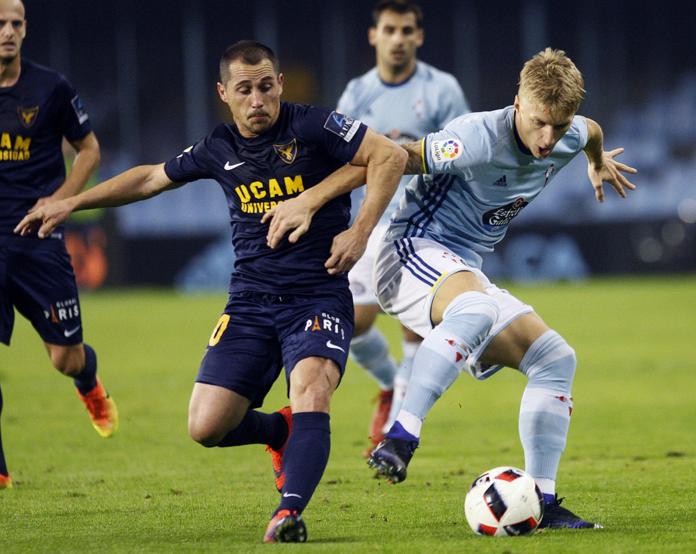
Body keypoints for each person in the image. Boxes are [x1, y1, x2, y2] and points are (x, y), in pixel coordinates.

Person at [16, 40, 407, 542]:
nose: (258, 100)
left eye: (266, 86)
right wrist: (72, 204)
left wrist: (356, 233)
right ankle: (278, 432)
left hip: (316, 294)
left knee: (311, 388)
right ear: (224, 93)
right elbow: (149, 179)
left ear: (280, 84)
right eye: (245, 89)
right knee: (206, 427)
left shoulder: (313, 125)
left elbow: (389, 156)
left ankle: (288, 513)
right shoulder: (218, 147)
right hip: (249, 301)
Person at [263, 48, 637, 529]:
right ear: (518, 103)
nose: (548, 140)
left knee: (555, 358)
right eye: (540, 122)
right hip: (408, 250)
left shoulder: (571, 133)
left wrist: (596, 160)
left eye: (559, 127)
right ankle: (401, 434)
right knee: (476, 307)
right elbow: (390, 157)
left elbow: (592, 131)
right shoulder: (476, 139)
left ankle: (543, 503)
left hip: (462, 266)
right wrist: (310, 201)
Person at [337, 0, 470, 455]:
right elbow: (341, 156)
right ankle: (391, 383)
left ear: (419, 37)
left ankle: (393, 439)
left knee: (415, 328)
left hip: (421, 224)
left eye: (406, 30)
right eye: (389, 30)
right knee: (350, 322)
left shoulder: (442, 90)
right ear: (374, 36)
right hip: (369, 222)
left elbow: (461, 153)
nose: (398, 39)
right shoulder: (357, 93)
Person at [0, 0, 117, 490]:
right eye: (0, 23)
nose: (7, 31)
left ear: (26, 29)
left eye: (15, 23)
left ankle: (88, 383)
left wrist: (61, 201)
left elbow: (89, 150)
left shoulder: (51, 87)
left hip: (37, 239)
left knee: (64, 357)